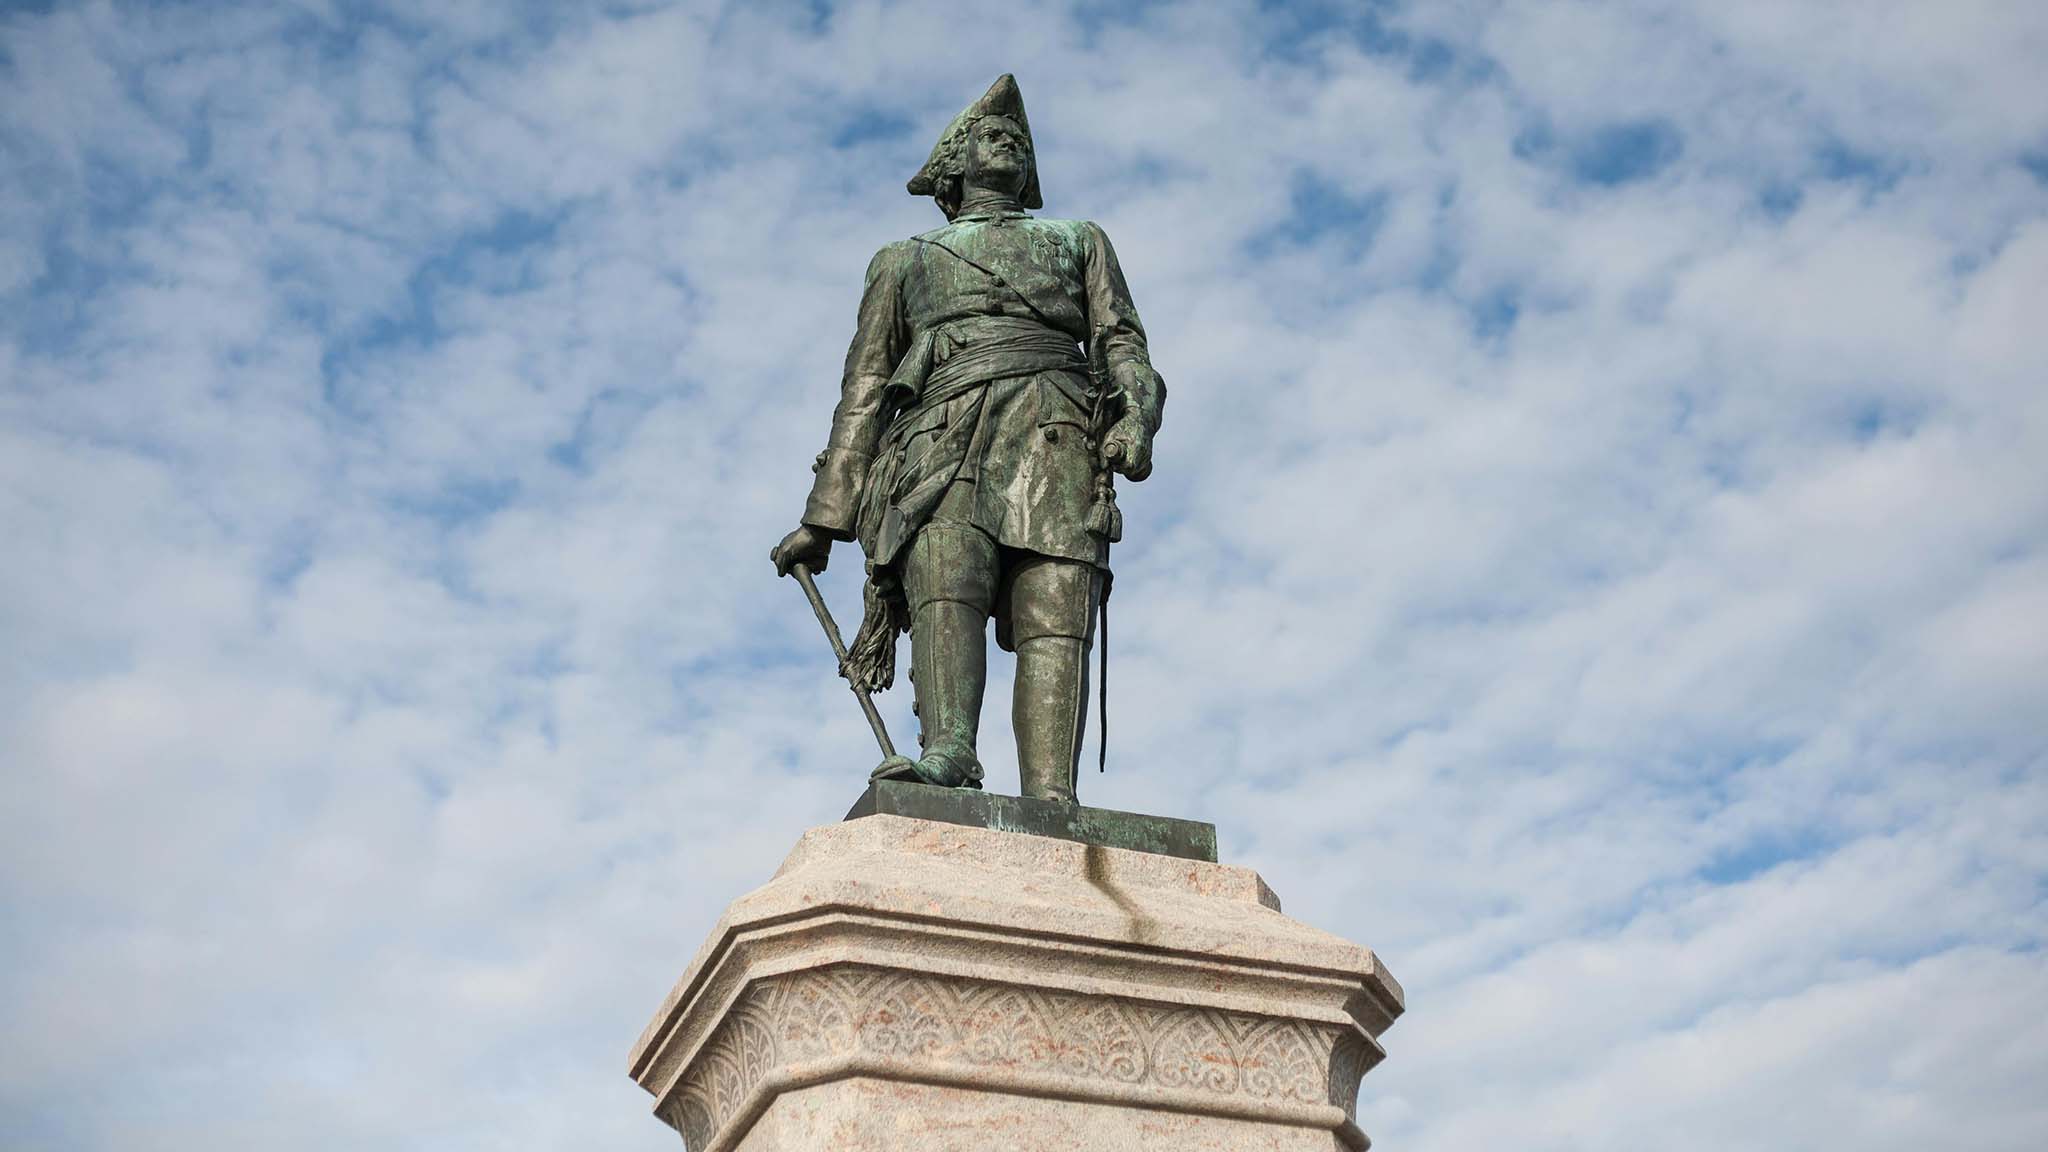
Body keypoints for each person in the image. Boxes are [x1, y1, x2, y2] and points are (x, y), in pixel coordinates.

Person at [771, 74, 1165, 802]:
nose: (1010, 140)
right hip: (940, 444)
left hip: (1056, 431)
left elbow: (1123, 344)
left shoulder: (1080, 241)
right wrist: (823, 520)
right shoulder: (904, 260)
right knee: (949, 584)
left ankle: (1052, 794)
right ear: (954, 165)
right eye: (991, 134)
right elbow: (865, 389)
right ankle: (949, 751)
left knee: (1055, 606)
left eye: (1018, 138)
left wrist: (1136, 416)